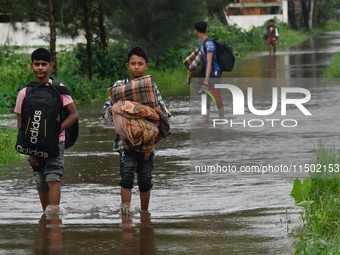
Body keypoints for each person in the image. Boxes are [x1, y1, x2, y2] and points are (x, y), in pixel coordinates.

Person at [102, 46, 170, 213]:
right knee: (126, 177)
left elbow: (163, 111)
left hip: (148, 142)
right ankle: (125, 213)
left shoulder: (150, 86)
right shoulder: (118, 86)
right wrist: (117, 108)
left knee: (145, 179)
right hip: (124, 142)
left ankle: (145, 214)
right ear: (128, 66)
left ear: (146, 66)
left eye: (140, 63)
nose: (137, 67)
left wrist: (146, 111)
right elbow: (105, 112)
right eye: (133, 63)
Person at [14, 48, 78, 212]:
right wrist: (30, 152)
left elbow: (73, 115)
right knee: (41, 182)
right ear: (31, 66)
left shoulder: (59, 89)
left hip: (57, 143)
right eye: (37, 64)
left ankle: (54, 217)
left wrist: (55, 131)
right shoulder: (24, 93)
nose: (40, 68)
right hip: (34, 145)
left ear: (51, 65)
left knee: (53, 178)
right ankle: (46, 217)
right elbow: (21, 126)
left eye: (44, 64)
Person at [194, 20, 224, 119]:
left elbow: (210, 62)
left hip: (214, 74)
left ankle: (221, 121)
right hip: (207, 74)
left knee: (217, 97)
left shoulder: (209, 44)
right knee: (206, 98)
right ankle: (206, 124)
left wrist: (206, 80)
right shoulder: (202, 43)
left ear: (196, 31)